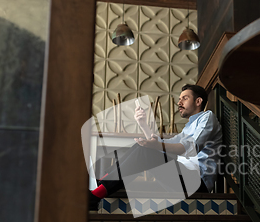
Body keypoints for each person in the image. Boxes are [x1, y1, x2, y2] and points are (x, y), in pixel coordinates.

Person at [89, 84, 222, 209]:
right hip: (183, 178)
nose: (179, 102)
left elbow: (187, 148)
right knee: (140, 147)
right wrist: (143, 124)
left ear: (198, 101)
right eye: (179, 99)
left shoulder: (207, 117)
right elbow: (163, 145)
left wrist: (155, 145)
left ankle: (98, 193)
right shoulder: (188, 128)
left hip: (196, 183)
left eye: (185, 98)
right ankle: (102, 184)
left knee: (145, 150)